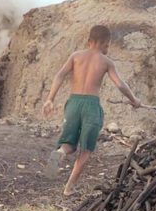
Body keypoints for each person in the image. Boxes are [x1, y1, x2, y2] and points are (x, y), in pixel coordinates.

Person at [42, 25, 141, 196]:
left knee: (69, 144)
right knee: (86, 149)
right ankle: (69, 188)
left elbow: (59, 75)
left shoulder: (75, 56)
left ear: (89, 41)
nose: (107, 49)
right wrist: (134, 100)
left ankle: (60, 153)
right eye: (107, 45)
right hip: (91, 106)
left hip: (73, 103)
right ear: (103, 43)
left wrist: (50, 99)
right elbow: (119, 84)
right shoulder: (106, 61)